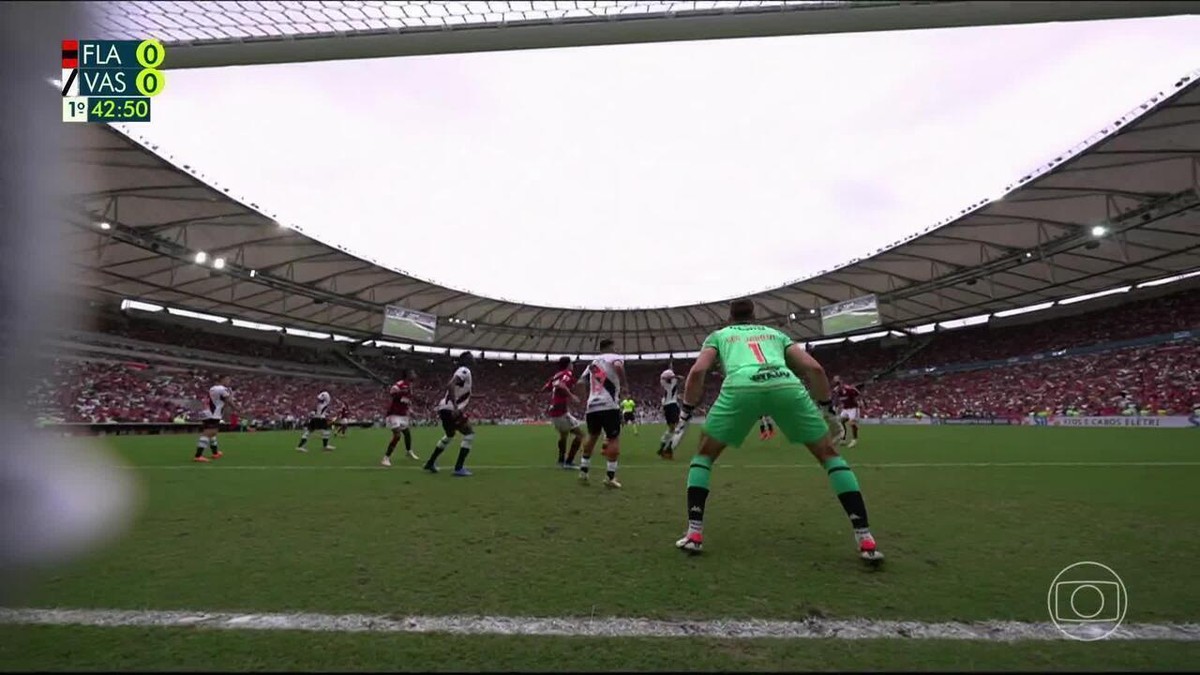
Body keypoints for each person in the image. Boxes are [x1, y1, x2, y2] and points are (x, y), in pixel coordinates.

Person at [672, 298, 883, 564]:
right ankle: (865, 538)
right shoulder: (775, 334)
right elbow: (814, 368)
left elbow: (698, 371)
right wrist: (828, 409)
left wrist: (686, 413)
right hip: (785, 384)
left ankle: (694, 534)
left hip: (740, 386)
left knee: (703, 456)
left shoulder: (719, 335)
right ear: (754, 315)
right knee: (830, 457)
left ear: (729, 318)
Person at [576, 339, 627, 488]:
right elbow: (618, 366)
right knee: (613, 438)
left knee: (592, 436)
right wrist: (624, 385)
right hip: (609, 405)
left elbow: (580, 382)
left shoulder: (592, 364)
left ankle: (583, 472)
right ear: (611, 347)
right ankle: (610, 478)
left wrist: (585, 399)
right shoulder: (613, 357)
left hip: (592, 406)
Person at [425, 351, 476, 477]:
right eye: (471, 358)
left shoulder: (463, 372)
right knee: (469, 434)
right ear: (466, 360)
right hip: (451, 409)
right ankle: (458, 468)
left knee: (449, 435)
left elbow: (457, 389)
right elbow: (450, 384)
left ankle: (430, 462)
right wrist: (455, 406)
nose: (474, 360)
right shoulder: (464, 370)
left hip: (444, 408)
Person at [542, 357, 585, 468]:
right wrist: (572, 396)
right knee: (580, 435)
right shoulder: (567, 373)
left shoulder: (556, 375)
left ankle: (561, 460)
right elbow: (560, 385)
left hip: (556, 409)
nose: (572, 365)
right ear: (568, 364)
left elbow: (545, 388)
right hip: (560, 410)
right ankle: (569, 462)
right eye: (571, 363)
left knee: (564, 435)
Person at [382, 369, 420, 467]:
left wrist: (410, 410)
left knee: (407, 433)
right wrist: (402, 391)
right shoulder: (400, 384)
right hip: (394, 414)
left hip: (403, 414)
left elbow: (406, 400)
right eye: (413, 373)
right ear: (408, 375)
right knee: (397, 435)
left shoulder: (410, 386)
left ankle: (409, 451)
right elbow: (392, 393)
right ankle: (386, 458)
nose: (415, 375)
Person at [194, 374, 233, 463]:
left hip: (207, 412)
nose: (229, 382)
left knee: (212, 433)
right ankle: (198, 455)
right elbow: (228, 401)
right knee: (209, 432)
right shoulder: (222, 389)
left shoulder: (213, 388)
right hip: (213, 413)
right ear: (222, 379)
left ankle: (215, 453)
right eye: (228, 379)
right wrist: (237, 409)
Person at [658, 365, 684, 459]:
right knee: (674, 428)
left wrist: (675, 377)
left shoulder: (672, 383)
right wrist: (674, 376)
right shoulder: (666, 382)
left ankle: (664, 446)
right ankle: (666, 448)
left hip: (672, 405)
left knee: (674, 428)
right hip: (670, 405)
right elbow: (665, 377)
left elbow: (681, 379)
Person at [833, 376, 862, 448]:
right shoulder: (837, 391)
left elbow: (858, 394)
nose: (837, 386)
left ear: (841, 383)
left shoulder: (849, 389)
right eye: (836, 384)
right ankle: (843, 439)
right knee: (840, 421)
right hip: (845, 409)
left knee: (851, 423)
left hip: (853, 408)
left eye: (838, 383)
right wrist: (836, 407)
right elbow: (838, 400)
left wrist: (860, 402)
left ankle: (854, 440)